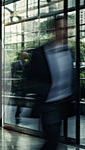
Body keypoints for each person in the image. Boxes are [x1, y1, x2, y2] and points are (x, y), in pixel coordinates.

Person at [25, 16, 74, 150]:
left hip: (64, 104)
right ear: (54, 30)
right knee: (52, 141)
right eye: (61, 28)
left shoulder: (69, 51)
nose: (64, 31)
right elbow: (29, 79)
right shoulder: (40, 53)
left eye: (67, 28)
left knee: (54, 141)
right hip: (49, 105)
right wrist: (43, 90)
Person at [11, 52, 29, 124]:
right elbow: (13, 74)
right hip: (17, 85)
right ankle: (17, 113)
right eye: (24, 56)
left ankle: (18, 112)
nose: (25, 58)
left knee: (21, 100)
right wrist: (14, 84)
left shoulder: (26, 64)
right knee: (18, 99)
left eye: (25, 57)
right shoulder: (16, 64)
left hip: (24, 86)